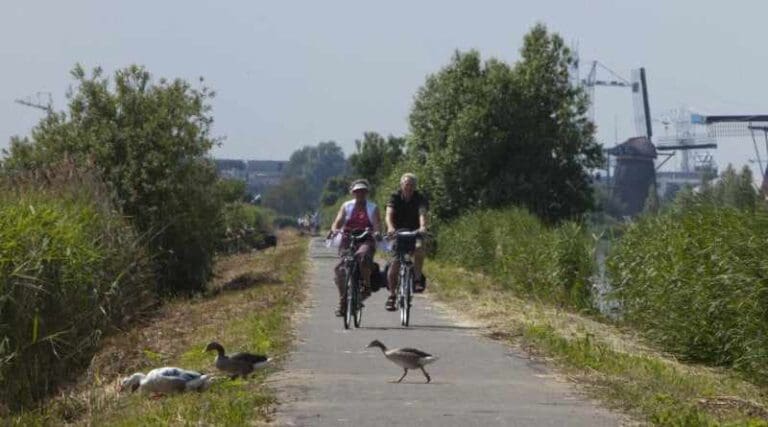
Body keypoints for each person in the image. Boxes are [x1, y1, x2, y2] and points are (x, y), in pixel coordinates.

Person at [329, 179, 382, 316]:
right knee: (340, 270)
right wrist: (334, 229)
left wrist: (376, 232)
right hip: (348, 239)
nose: (360, 194)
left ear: (367, 193)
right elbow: (338, 221)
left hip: (366, 239)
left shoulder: (372, 207)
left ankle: (366, 286)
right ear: (352, 193)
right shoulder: (346, 206)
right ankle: (342, 302)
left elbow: (376, 224)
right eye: (357, 191)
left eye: (363, 191)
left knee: (362, 257)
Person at [385, 173, 428, 311]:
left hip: (415, 232)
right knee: (394, 266)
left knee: (419, 249)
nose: (408, 187)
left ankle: (416, 280)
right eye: (406, 184)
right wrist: (391, 227)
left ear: (414, 186)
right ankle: (392, 296)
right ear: (401, 185)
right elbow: (389, 214)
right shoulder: (395, 197)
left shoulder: (419, 198)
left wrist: (422, 227)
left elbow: (422, 213)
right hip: (398, 232)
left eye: (411, 185)